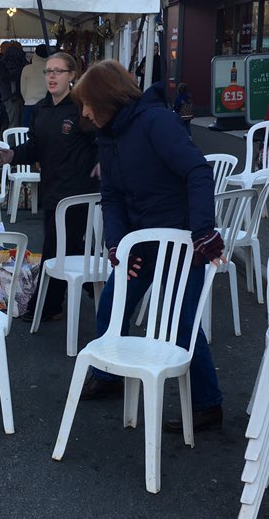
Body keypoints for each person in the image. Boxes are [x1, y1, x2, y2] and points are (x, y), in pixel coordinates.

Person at [71, 60, 227, 433]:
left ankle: (208, 405)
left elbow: (197, 171)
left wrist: (203, 231)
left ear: (106, 98)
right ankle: (107, 376)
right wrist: (117, 247)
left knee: (181, 325)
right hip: (141, 244)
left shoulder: (157, 122)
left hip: (183, 245)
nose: (85, 112)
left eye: (88, 103)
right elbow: (111, 196)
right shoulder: (107, 136)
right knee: (112, 302)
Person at [0, 51, 97, 322]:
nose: (51, 76)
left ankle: (49, 305)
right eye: (48, 71)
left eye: (58, 71)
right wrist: (13, 155)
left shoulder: (81, 107)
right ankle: (96, 289)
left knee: (57, 247)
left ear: (72, 76)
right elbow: (36, 147)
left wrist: (102, 162)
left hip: (77, 193)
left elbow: (103, 139)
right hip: (51, 190)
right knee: (67, 248)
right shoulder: (41, 109)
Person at [19, 45, 50, 127]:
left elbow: (23, 89)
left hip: (30, 104)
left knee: (27, 133)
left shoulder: (27, 69)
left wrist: (28, 99)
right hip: (46, 105)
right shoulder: (50, 69)